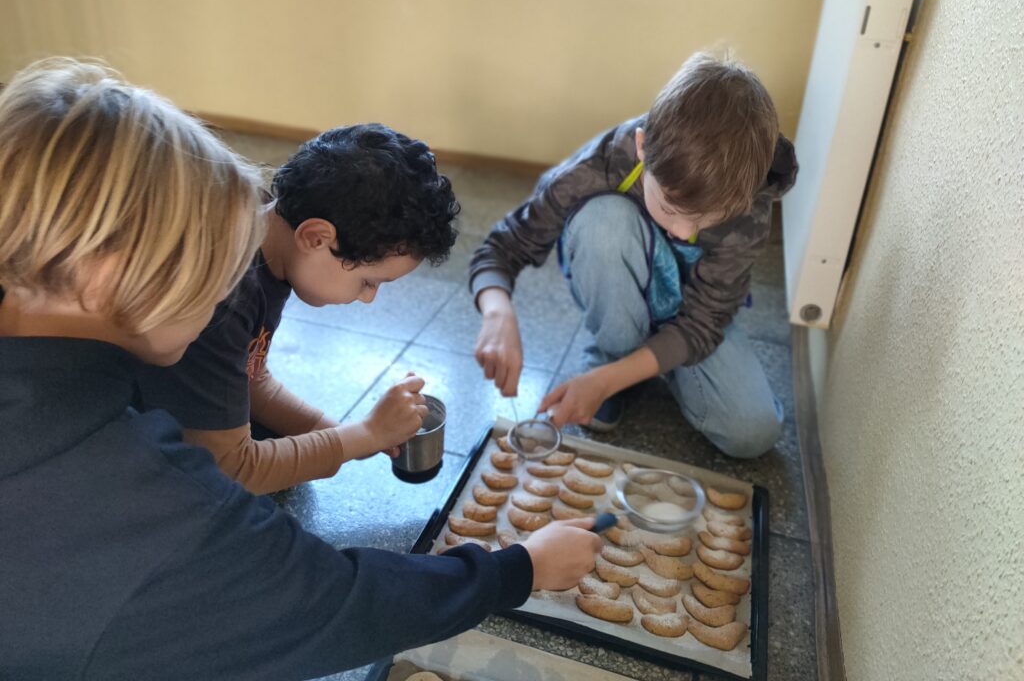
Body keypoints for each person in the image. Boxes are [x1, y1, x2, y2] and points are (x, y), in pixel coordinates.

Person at [0, 59, 601, 680]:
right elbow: (324, 600)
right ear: (108, 270)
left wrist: (340, 436)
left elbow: (249, 377)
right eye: (210, 268)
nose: (225, 289)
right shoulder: (136, 485)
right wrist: (512, 571)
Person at [471, 51, 799, 459]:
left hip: (692, 315)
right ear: (643, 148)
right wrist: (497, 313)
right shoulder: (605, 161)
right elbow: (504, 245)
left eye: (706, 220)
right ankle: (616, 352)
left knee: (753, 433)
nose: (684, 231)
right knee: (602, 221)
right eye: (671, 208)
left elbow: (703, 322)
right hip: (621, 289)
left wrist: (607, 381)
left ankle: (631, 366)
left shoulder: (748, 198)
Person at [137, 124, 457, 494]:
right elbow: (229, 469)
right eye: (369, 281)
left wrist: (349, 436)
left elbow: (251, 378)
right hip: (120, 436)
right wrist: (364, 435)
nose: (368, 298)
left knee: (290, 455)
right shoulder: (225, 291)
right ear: (316, 237)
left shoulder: (273, 241)